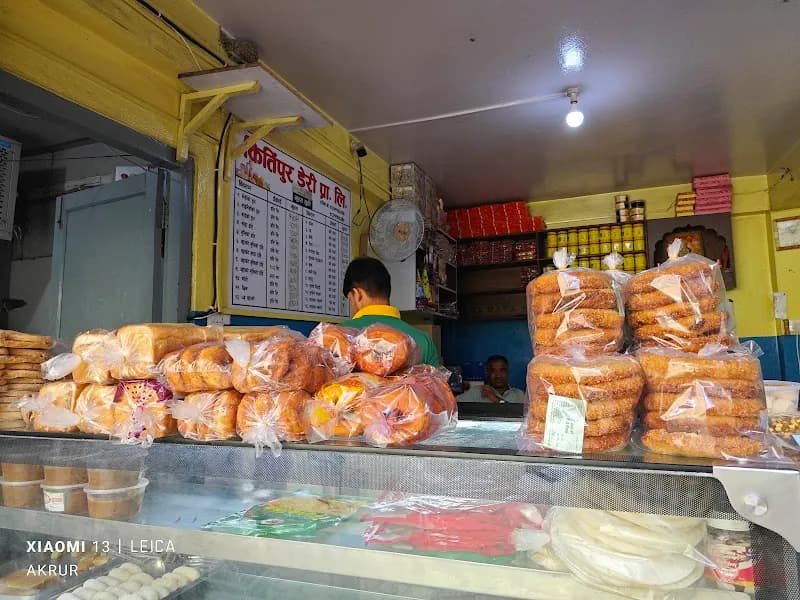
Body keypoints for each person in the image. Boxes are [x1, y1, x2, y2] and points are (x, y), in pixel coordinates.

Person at [339, 257, 440, 366]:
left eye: (350, 299)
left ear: (357, 294)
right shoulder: (424, 341)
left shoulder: (337, 336)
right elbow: (436, 382)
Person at [456, 355, 526, 403]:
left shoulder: (519, 394)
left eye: (502, 370)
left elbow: (523, 416)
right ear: (487, 373)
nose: (498, 375)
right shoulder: (476, 391)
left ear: (507, 372)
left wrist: (495, 399)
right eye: (493, 371)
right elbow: (453, 405)